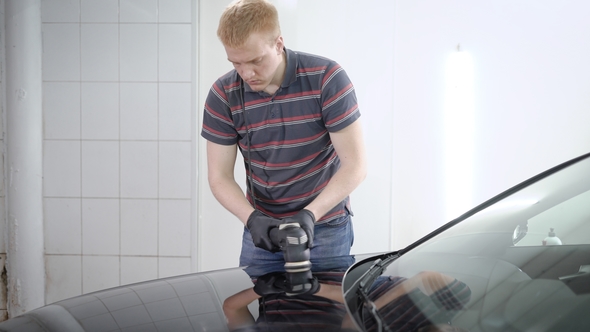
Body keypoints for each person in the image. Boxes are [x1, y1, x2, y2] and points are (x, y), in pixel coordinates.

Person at [201, 0, 367, 266]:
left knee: (326, 308)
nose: (246, 73)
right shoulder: (223, 93)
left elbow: (355, 165)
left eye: (255, 61)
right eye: (236, 63)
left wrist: (310, 215)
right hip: (262, 230)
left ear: (278, 44)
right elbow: (219, 177)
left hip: (324, 226)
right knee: (261, 306)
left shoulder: (326, 78)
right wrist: (251, 219)